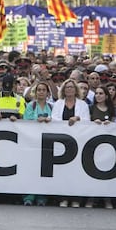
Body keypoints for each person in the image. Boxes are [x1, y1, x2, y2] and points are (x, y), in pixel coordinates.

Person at [51, 78, 90, 208]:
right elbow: (54, 119)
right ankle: (63, 198)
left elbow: (87, 121)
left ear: (76, 90)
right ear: (63, 90)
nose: (69, 89)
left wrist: (77, 118)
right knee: (62, 171)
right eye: (67, 87)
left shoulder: (82, 105)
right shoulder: (58, 103)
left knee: (76, 171)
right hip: (62, 141)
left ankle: (75, 199)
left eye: (72, 87)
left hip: (78, 141)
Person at [22, 81, 53, 206]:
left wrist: (49, 120)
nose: (41, 92)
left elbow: (56, 120)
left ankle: (42, 196)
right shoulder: (31, 106)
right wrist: (36, 120)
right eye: (39, 90)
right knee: (31, 170)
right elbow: (25, 121)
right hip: (32, 142)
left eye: (43, 90)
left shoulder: (51, 107)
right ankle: (29, 196)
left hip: (47, 143)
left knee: (44, 170)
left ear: (47, 93)